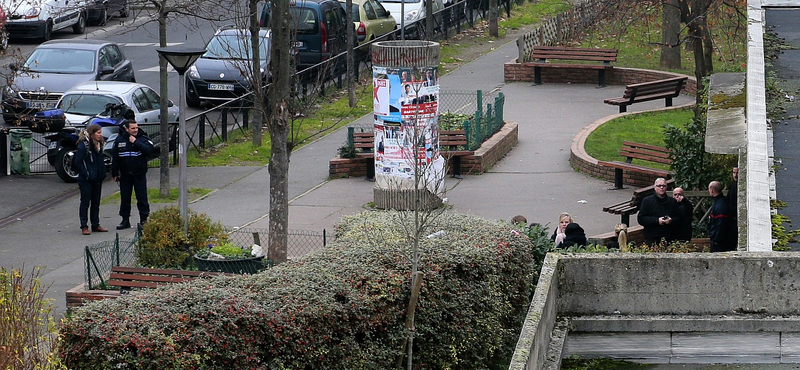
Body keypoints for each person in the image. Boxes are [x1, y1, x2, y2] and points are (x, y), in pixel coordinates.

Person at [111, 113, 155, 229]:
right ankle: (125, 220)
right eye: (133, 128)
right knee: (125, 198)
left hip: (139, 174)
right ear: (126, 129)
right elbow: (115, 157)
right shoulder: (120, 140)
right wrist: (114, 172)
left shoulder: (142, 138)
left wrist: (135, 142)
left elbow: (149, 150)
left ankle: (144, 220)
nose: (135, 130)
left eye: (136, 128)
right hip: (125, 175)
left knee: (142, 198)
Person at [75, 124, 109, 235]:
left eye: (101, 132)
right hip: (86, 179)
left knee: (96, 203)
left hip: (97, 178)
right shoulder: (84, 145)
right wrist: (87, 174)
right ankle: (84, 226)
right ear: (92, 133)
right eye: (98, 133)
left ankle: (95, 224)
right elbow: (78, 162)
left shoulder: (99, 144)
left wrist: (102, 173)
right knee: (85, 203)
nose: (100, 135)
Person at [637, 178, 681, 246]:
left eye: (664, 186)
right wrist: (657, 220)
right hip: (652, 237)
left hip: (669, 237)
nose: (661, 188)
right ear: (655, 188)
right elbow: (641, 219)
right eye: (659, 186)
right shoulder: (647, 201)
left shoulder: (672, 202)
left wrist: (671, 220)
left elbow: (678, 218)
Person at [708, 180, 735, 252]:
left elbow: (721, 224)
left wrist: (717, 240)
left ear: (712, 190)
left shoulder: (720, 205)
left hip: (721, 242)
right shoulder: (721, 202)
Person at [727, 166, 738, 245]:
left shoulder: (736, 186)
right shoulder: (732, 185)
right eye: (734, 173)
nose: (735, 175)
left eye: (737, 173)